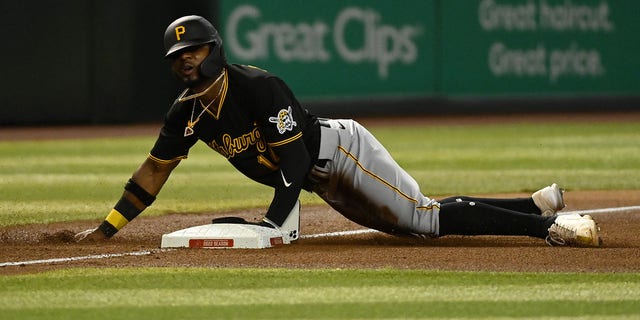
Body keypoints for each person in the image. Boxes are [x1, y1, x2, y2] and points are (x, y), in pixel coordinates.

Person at [74, 15, 600, 247]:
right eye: (178, 55)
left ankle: (549, 229)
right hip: (321, 177)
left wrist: (276, 223)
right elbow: (153, 170)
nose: (187, 60)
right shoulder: (184, 114)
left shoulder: (258, 86)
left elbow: (296, 159)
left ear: (215, 50)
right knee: (415, 223)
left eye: (195, 50)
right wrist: (107, 228)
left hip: (339, 151)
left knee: (427, 221)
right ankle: (534, 206)